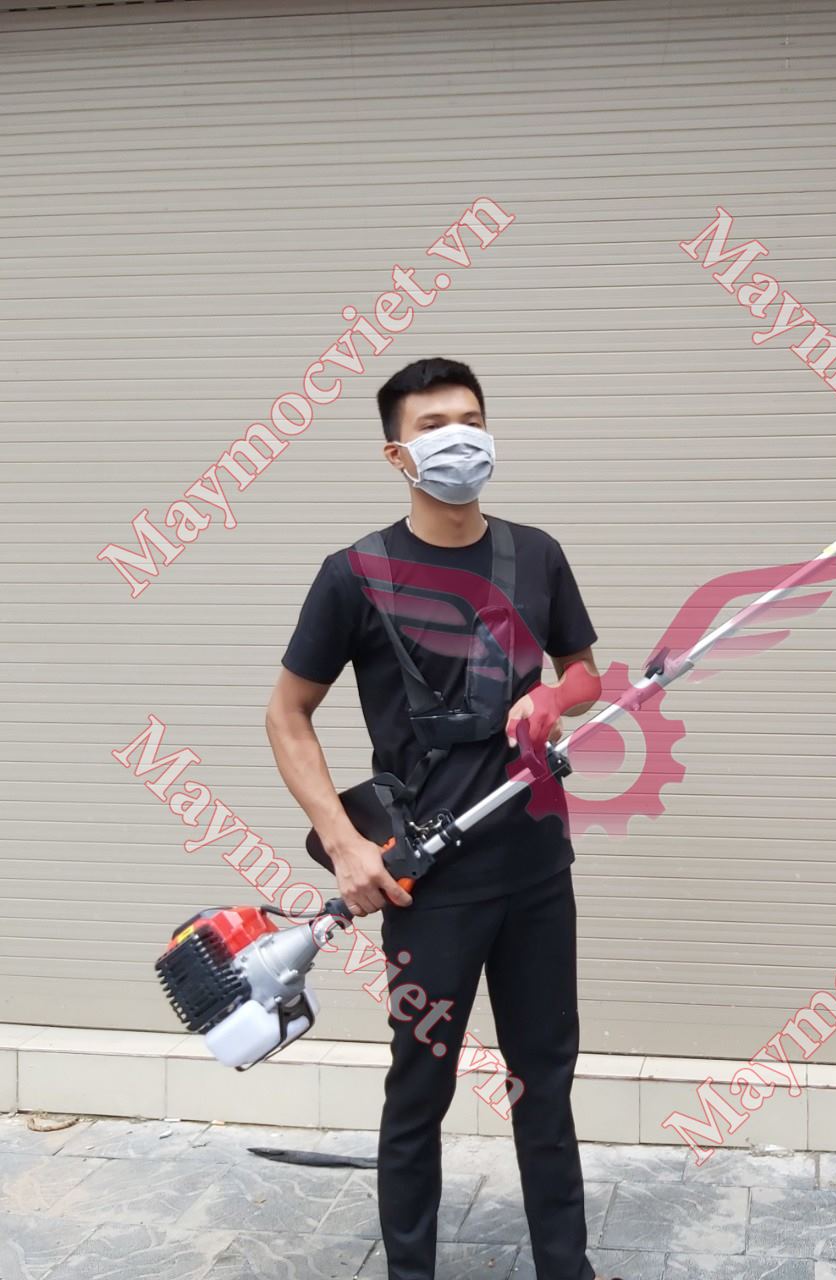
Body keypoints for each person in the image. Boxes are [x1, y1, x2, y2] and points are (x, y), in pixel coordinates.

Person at [265, 357, 612, 1280]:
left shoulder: (536, 555)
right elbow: (287, 713)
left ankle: (566, 1269)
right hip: (430, 885)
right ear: (396, 453)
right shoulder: (354, 575)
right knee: (420, 1088)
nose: (459, 437)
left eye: (471, 418)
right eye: (433, 425)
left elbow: (586, 673)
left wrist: (555, 700)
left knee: (546, 1084)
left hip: (536, 868)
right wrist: (344, 845)